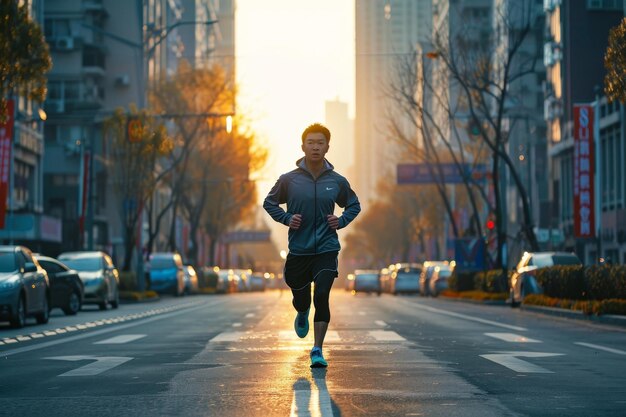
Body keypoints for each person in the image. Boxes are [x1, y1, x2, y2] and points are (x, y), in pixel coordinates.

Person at [263, 123, 361, 368]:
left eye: (320, 143)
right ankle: (302, 309)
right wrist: (286, 218)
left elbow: (354, 205)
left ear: (328, 147)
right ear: (302, 146)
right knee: (300, 295)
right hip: (299, 250)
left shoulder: (337, 181)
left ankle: (317, 349)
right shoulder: (289, 180)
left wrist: (340, 220)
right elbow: (269, 202)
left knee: (322, 294)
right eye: (311, 142)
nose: (315, 147)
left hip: (327, 248)